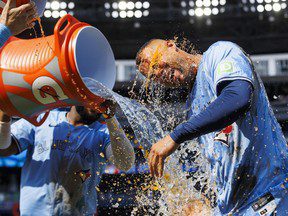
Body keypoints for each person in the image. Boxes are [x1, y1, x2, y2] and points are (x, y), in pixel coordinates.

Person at [136, 39, 288, 215]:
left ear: (171, 45)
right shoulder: (192, 108)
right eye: (153, 76)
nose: (159, 73)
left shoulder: (219, 53)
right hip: (238, 208)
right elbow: (222, 166)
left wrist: (175, 136)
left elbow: (237, 98)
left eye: (156, 64)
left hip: (272, 194)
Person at [0, 104, 135, 215]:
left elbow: (125, 163)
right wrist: (4, 113)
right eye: (89, 97)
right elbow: (3, 148)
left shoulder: (103, 133)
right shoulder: (42, 119)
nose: (95, 103)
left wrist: (111, 118)